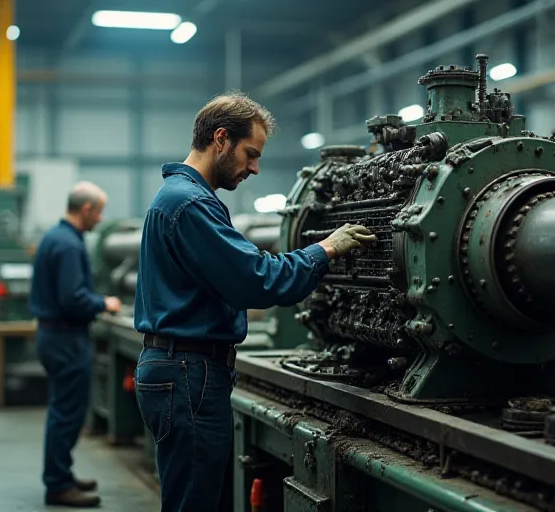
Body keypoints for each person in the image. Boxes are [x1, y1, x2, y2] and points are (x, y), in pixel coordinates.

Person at [134, 92, 378, 511]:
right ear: (221, 139)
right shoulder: (189, 203)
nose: (254, 167)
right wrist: (326, 249)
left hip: (185, 369)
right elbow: (258, 282)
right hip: (190, 373)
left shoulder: (182, 198)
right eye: (250, 154)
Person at [28, 181, 122, 508]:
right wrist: (104, 304)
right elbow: (73, 299)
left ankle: (62, 475)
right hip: (66, 338)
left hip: (55, 336)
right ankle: (57, 485)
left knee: (62, 410)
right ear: (86, 210)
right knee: (66, 414)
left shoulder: (57, 237)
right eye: (99, 212)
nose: (101, 218)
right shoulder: (68, 245)